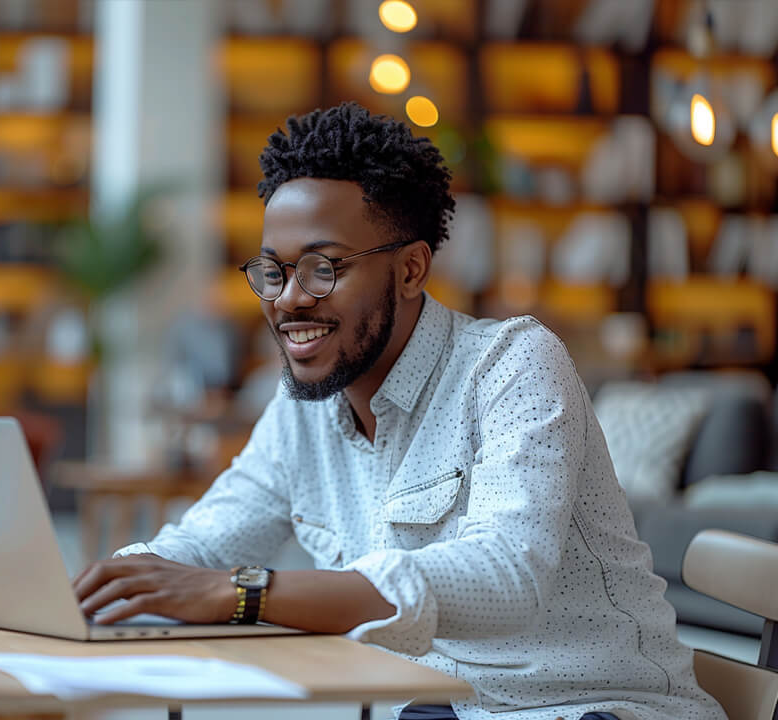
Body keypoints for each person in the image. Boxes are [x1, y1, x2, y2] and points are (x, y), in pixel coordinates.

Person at [73, 102, 725, 720]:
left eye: (323, 268)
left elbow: (505, 573)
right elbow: (207, 540)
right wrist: (109, 584)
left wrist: (244, 593)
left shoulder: (511, 365)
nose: (289, 300)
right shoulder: (304, 406)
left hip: (591, 708)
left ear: (412, 269)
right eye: (274, 273)